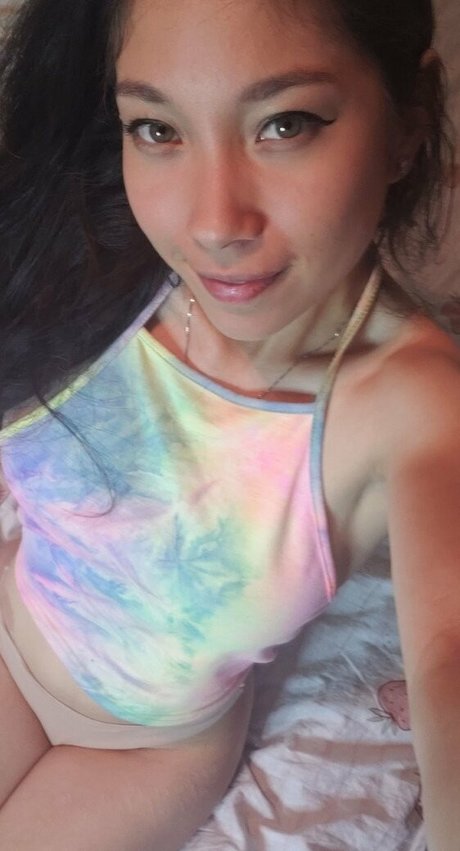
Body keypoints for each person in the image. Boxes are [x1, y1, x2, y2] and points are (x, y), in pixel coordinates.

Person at [0, 0, 459, 848]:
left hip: (143, 752)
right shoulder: (97, 257)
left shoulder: (412, 400)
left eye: (285, 124)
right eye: (158, 130)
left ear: (407, 124)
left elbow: (447, 648)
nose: (214, 224)